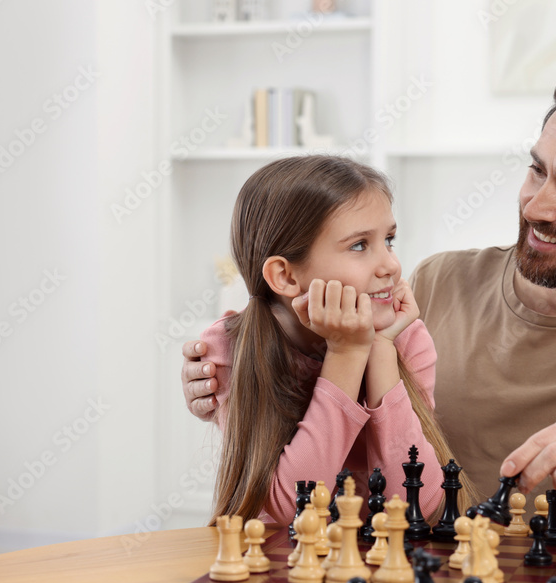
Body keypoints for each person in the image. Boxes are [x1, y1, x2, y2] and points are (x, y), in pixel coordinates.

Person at [184, 53, 556, 555]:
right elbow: (310, 438)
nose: (535, 205)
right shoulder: (436, 282)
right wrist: (231, 381)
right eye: (537, 171)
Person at [201, 155, 473, 526]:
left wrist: (379, 349)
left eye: (389, 240)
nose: (390, 265)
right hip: (285, 565)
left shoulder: (406, 340)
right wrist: (346, 353)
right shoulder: (229, 348)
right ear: (285, 276)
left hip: (381, 563)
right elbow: (293, 509)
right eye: (360, 245)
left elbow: (417, 505)